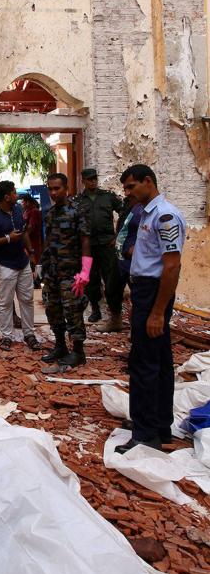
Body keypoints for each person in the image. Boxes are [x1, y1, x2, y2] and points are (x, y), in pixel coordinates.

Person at [114, 164, 186, 454]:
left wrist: (157, 312)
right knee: (159, 361)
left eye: (131, 187)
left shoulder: (165, 216)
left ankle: (145, 435)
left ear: (148, 181)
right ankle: (159, 426)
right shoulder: (146, 214)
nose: (128, 193)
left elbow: (172, 266)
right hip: (145, 292)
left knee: (144, 364)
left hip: (153, 294)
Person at [0, 181, 41, 352]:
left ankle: (29, 334)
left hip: (22, 262)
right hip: (4, 265)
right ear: (6, 197)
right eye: (14, 193)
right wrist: (8, 238)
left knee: (27, 300)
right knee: (6, 302)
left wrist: (31, 252)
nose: (17, 195)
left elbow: (22, 233)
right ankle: (7, 336)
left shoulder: (17, 210)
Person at [40, 173, 92, 369]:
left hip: (71, 272)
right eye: (50, 189)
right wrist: (41, 264)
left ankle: (78, 352)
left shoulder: (77, 211)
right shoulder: (50, 213)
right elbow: (48, 240)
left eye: (57, 188)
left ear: (66, 188)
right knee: (52, 309)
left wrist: (85, 272)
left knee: (73, 310)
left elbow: (86, 240)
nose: (53, 192)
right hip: (52, 271)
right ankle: (60, 345)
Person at [74, 168, 123, 323]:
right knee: (91, 279)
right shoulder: (78, 200)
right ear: (83, 181)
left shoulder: (108, 197)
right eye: (89, 179)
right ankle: (95, 309)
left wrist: (118, 235)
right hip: (88, 246)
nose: (93, 181)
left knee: (111, 279)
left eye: (95, 178)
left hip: (107, 244)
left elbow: (125, 213)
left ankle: (115, 312)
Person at [99, 198, 144, 333]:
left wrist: (136, 248)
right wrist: (117, 239)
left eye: (130, 187)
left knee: (137, 293)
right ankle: (116, 319)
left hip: (132, 258)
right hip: (119, 255)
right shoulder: (128, 205)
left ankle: (137, 328)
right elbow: (124, 225)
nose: (128, 192)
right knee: (112, 288)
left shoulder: (145, 210)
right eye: (125, 188)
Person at [20, 194, 43, 287]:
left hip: (33, 241)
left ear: (27, 202)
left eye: (23, 201)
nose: (22, 203)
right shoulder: (26, 211)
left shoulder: (34, 211)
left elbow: (31, 227)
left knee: (35, 262)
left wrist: (23, 236)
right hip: (26, 242)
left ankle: (37, 281)